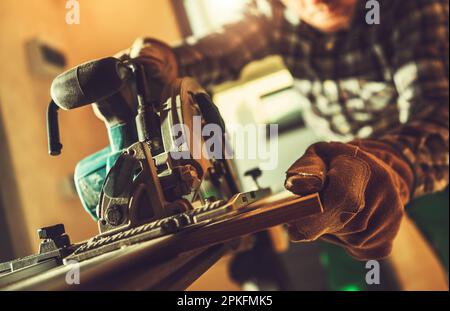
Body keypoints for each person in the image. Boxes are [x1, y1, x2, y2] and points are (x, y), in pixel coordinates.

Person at [107, 0, 449, 260]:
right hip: (337, 175)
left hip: (418, 156)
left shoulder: (413, 9)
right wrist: (160, 66)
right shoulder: (274, 14)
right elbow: (220, 50)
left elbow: (437, 118)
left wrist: (390, 168)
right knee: (343, 262)